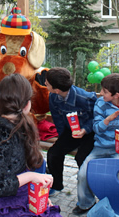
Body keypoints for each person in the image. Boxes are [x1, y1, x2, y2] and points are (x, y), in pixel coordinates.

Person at [0, 73, 61, 216]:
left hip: (20, 194)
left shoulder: (20, 126)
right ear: (28, 104)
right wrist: (31, 176)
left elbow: (18, 169)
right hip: (4, 206)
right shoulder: (0, 134)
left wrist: (39, 195)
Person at [73, 73, 119, 215]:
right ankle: (86, 204)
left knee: (118, 177)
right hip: (100, 147)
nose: (101, 93)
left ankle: (115, 206)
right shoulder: (101, 103)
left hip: (118, 151)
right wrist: (107, 120)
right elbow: (96, 128)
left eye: (105, 91)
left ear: (116, 95)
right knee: (83, 174)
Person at [44, 67, 96, 196]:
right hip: (71, 132)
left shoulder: (84, 98)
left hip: (89, 132)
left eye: (47, 83)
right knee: (53, 153)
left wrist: (85, 130)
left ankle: (88, 193)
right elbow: (57, 118)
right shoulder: (54, 97)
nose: (45, 83)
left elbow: (97, 117)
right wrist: (63, 138)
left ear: (56, 89)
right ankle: (56, 185)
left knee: (81, 158)